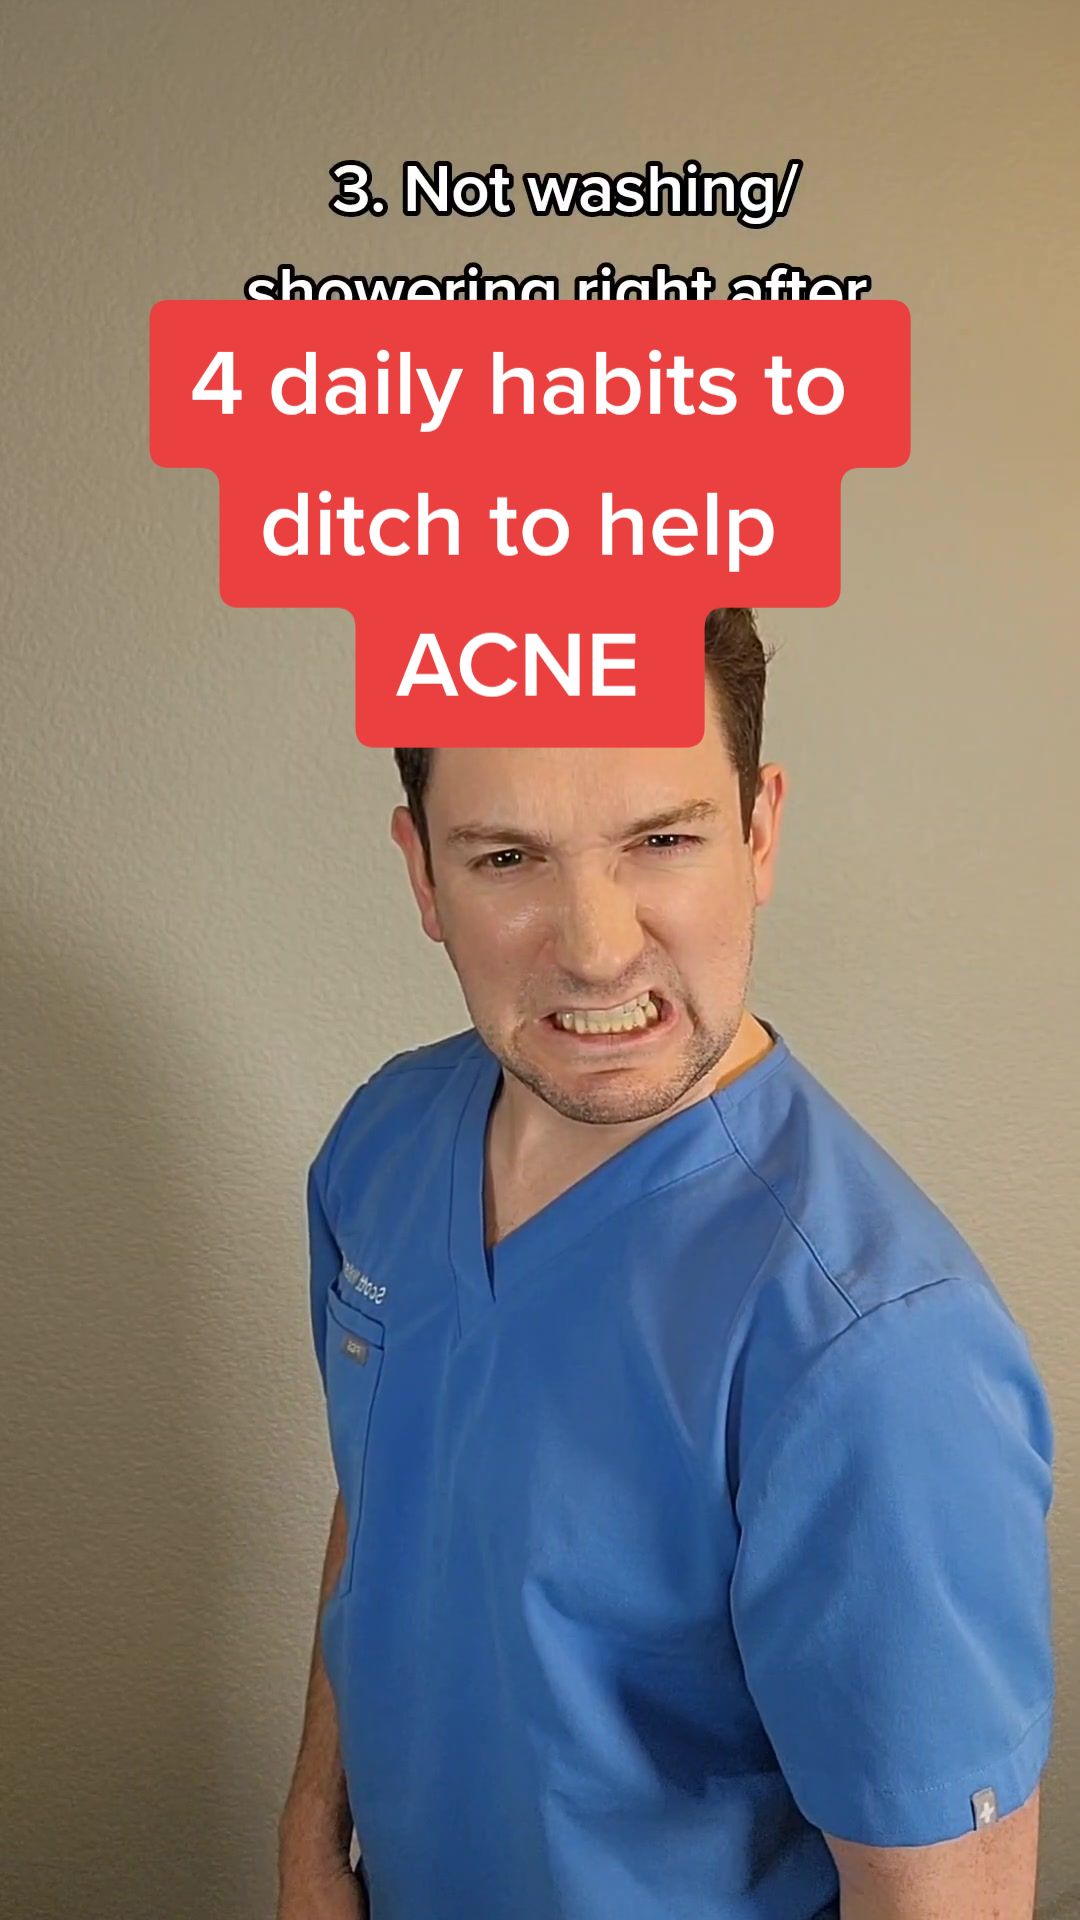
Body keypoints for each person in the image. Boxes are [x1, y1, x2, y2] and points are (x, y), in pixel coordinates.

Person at [276, 608, 1053, 1920]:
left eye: (662, 840)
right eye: (507, 856)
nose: (595, 945)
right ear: (422, 873)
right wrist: (312, 1832)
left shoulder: (874, 1351)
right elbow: (384, 1492)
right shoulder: (385, 1142)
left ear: (760, 832)